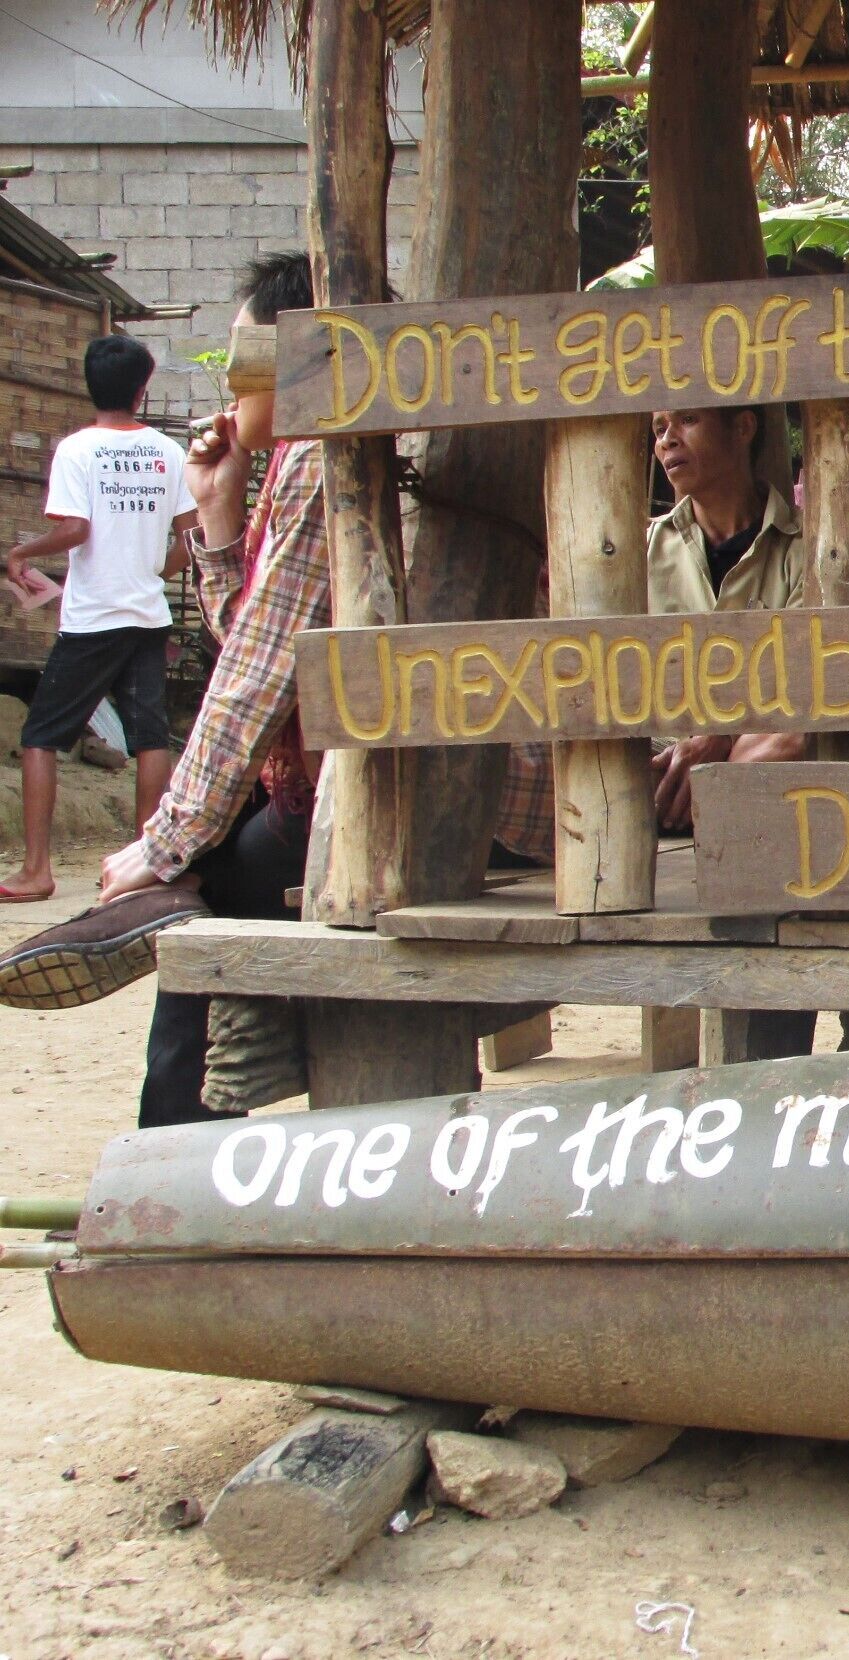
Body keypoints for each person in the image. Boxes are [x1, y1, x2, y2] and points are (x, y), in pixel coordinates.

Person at [75, 251, 551, 1128]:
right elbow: (271, 645)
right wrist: (219, 516)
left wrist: (168, 840)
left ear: (294, 353)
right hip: (485, 785)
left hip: (439, 794)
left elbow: (261, 671)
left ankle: (179, 1149)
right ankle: (199, 1127)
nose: (229, 381)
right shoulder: (349, 442)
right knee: (222, 863)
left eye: (239, 357)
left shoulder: (330, 447)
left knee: (203, 889)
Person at [2, 336, 197, 902]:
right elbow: (192, 538)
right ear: (142, 390)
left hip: (91, 620)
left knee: (40, 737)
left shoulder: (77, 450)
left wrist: (21, 554)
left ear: (91, 386)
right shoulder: (168, 451)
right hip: (146, 615)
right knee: (149, 738)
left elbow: (75, 531)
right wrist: (154, 571)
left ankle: (36, 870)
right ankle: (142, 869)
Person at [643, 405, 811, 829]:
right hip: (662, 756)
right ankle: (708, 800)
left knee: (799, 737)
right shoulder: (643, 549)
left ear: (742, 427)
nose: (667, 440)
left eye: (687, 420)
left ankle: (708, 803)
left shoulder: (803, 548)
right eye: (660, 428)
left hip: (756, 746)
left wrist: (723, 738)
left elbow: (801, 685)